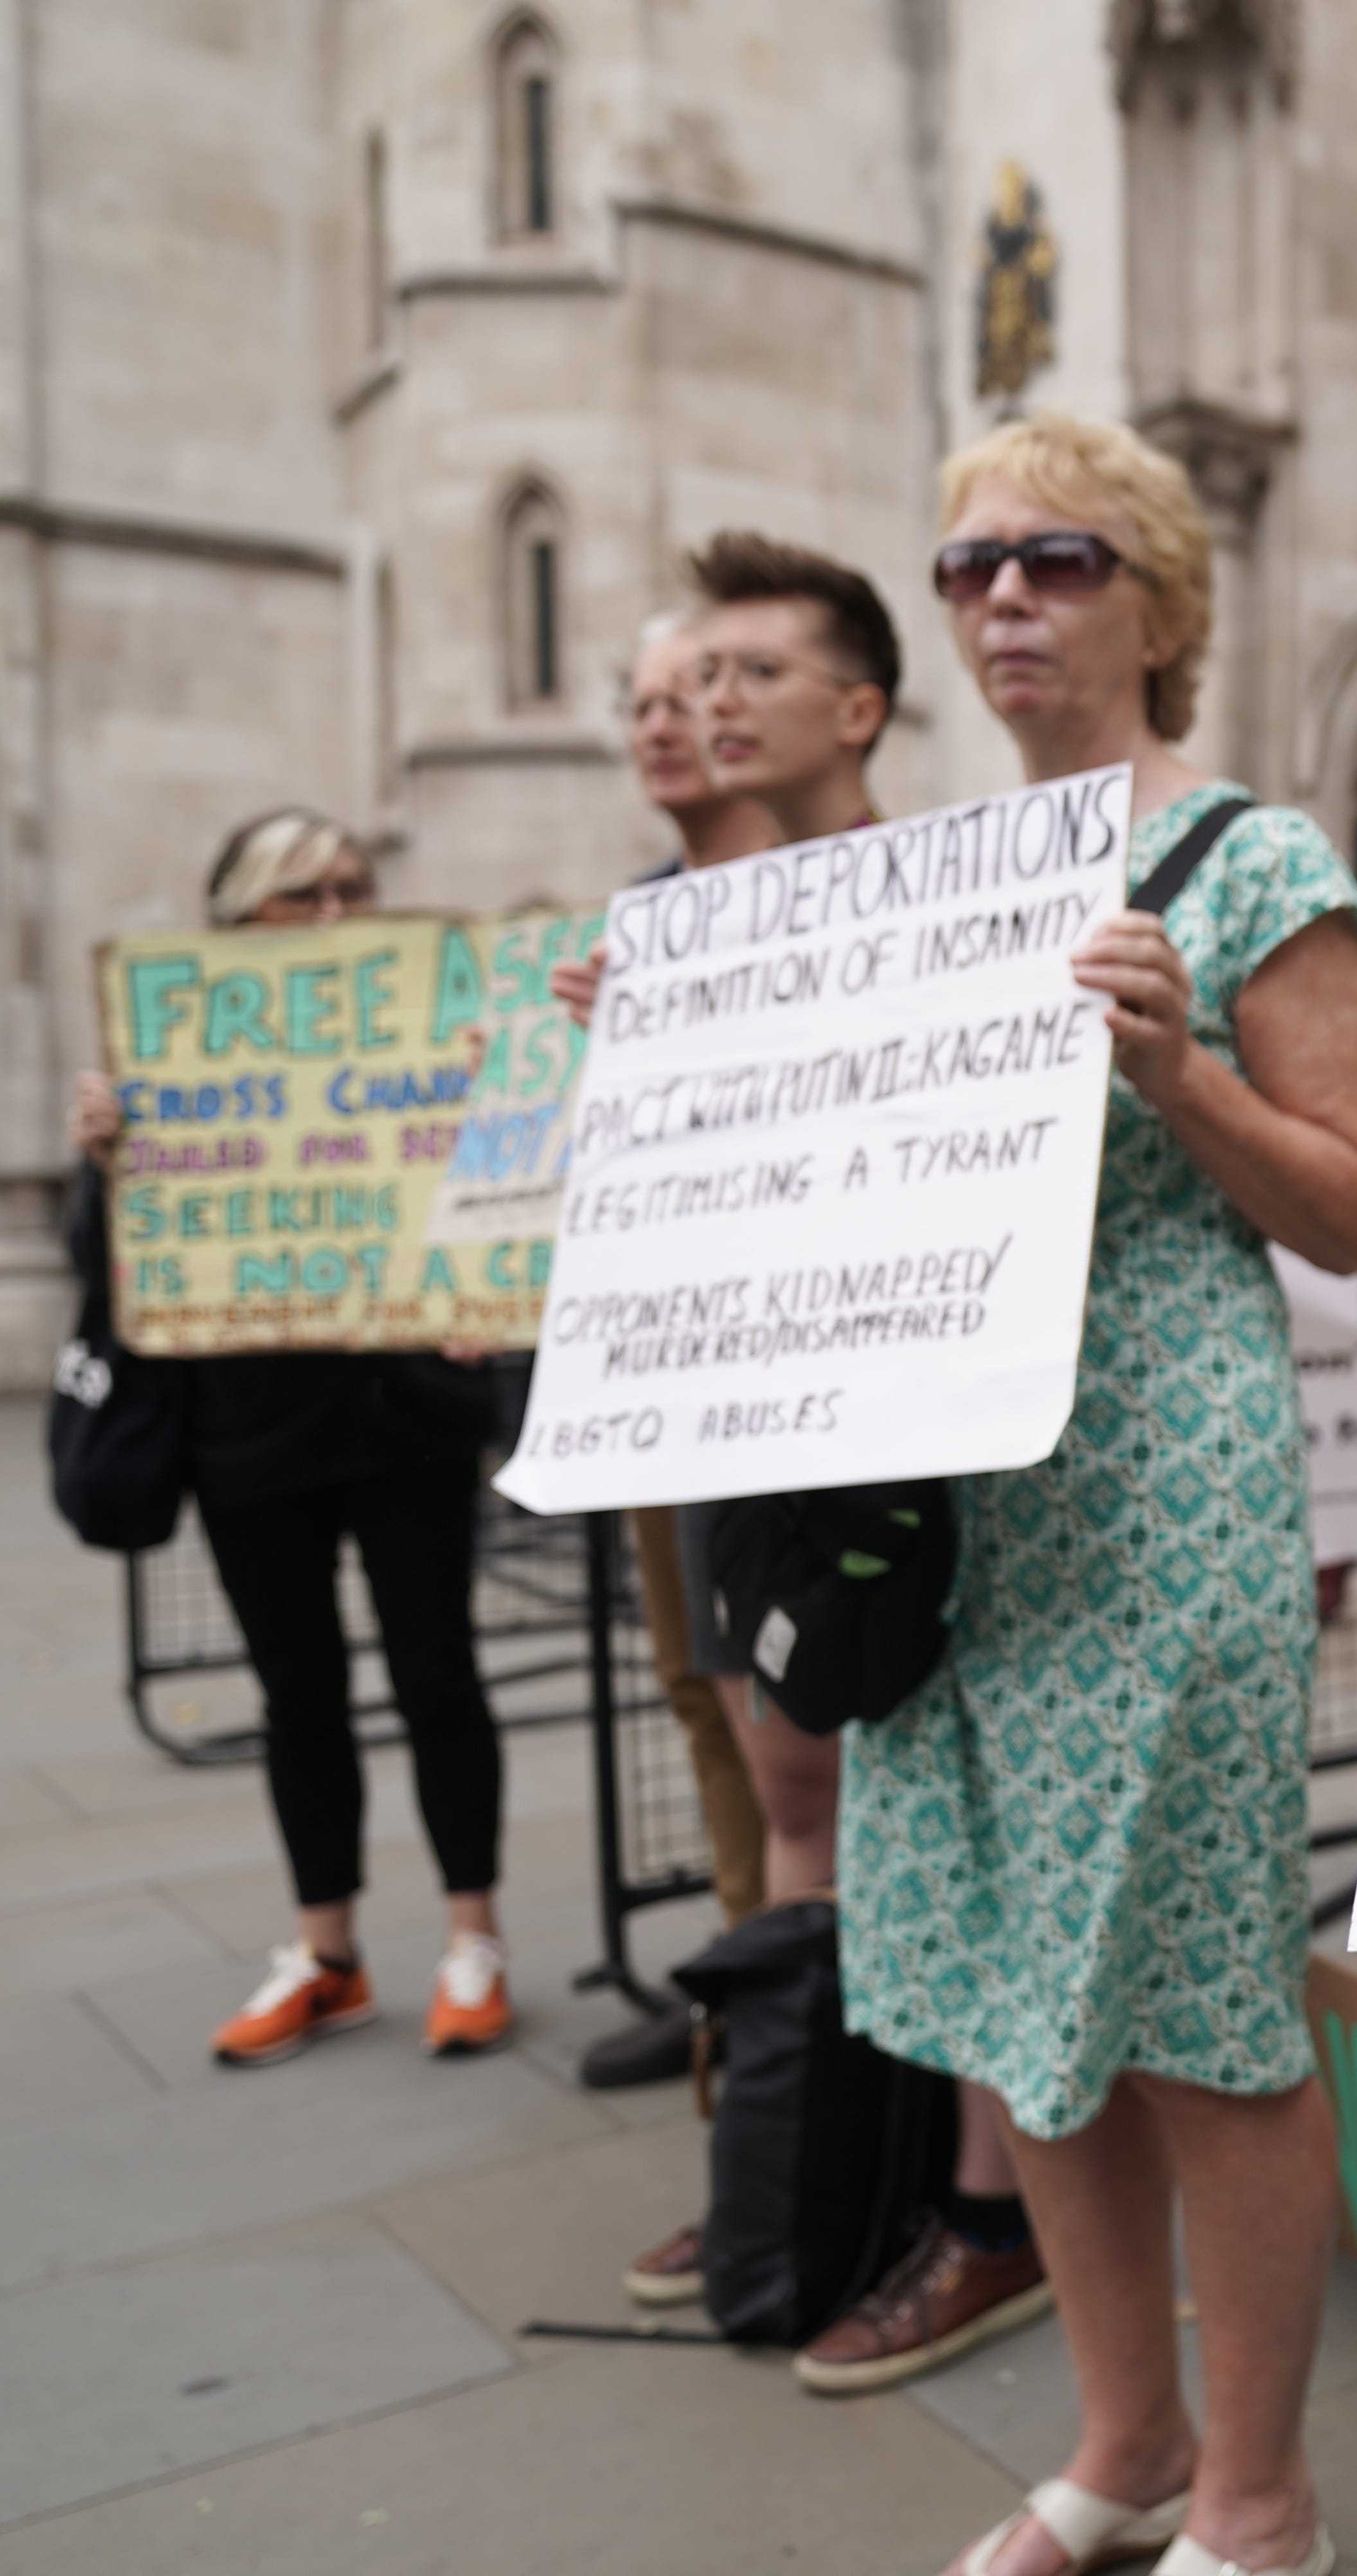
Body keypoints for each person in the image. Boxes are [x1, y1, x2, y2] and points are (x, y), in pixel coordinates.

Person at [851, 410, 1357, 2576]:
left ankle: (1260, 2497)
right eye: (970, 562)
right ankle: (1126, 2443)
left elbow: (1355, 1207)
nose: (1003, 597)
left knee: (1190, 1997)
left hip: (1159, 1484)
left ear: (1161, 603)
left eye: (1058, 558)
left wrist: (1175, 1075)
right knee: (1017, 1990)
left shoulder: (1255, 860)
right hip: (961, 1494)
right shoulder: (921, 881)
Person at [560, 545, 1046, 2379]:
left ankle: (984, 2207)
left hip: (926, 1433)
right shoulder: (661, 927)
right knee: (788, 1790)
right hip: (741, 1426)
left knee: (946, 1803)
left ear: (857, 708)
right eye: (689, 678)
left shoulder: (961, 894)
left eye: (750, 669)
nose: (705, 703)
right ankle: (803, 2164)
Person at [70, 812, 516, 2067]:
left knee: (438, 1673)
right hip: (248, 1430)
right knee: (297, 1692)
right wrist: (108, 1165)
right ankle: (329, 1950)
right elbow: (102, 1272)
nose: (335, 914)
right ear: (239, 922)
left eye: (355, 890)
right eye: (301, 896)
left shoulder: (430, 1035)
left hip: (406, 1414)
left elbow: (493, 1208)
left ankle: (472, 1938)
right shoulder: (174, 1065)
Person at [574, 616, 776, 2092]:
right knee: (696, 1679)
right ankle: (739, 1986)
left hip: (790, 1370)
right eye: (639, 705)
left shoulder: (830, 886)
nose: (662, 726)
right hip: (661, 1363)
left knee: (790, 1706)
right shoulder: (635, 918)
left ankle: (801, 2025)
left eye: (692, 695)